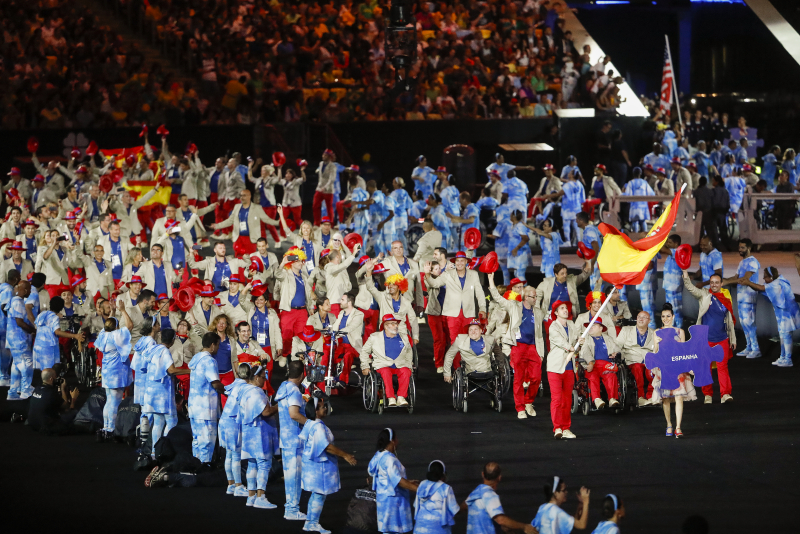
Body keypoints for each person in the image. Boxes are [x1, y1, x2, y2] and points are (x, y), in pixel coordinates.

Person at [298, 396, 357, 534]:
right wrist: (345, 455)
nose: (325, 408)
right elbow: (326, 447)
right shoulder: (318, 426)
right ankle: (312, 523)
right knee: (319, 495)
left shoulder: (310, 423)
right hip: (320, 466)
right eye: (322, 407)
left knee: (316, 495)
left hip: (313, 465)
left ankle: (310, 522)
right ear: (315, 411)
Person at [488, 276, 545, 419]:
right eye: (533, 297)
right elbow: (497, 298)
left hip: (533, 347)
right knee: (519, 378)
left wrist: (541, 352)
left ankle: (528, 402)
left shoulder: (537, 311)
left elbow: (542, 331)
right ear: (525, 297)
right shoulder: (514, 306)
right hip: (518, 346)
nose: (535, 299)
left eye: (536, 297)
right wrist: (490, 279)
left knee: (536, 378)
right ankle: (520, 408)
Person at [682, 272, 736, 404]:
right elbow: (691, 288)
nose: (714, 285)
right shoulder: (704, 294)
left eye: (717, 282)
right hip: (705, 340)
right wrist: (685, 275)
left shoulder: (726, 298)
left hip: (722, 339)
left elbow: (729, 322)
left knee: (722, 367)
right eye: (712, 282)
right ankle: (708, 395)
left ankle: (725, 394)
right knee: (705, 368)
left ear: (721, 284)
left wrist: (733, 339)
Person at [738, 267, 800, 367]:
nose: (763, 279)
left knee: (786, 335)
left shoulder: (777, 284)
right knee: (782, 335)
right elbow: (761, 288)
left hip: (788, 313)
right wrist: (749, 283)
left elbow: (761, 288)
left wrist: (748, 283)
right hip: (783, 313)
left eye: (765, 277)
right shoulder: (776, 282)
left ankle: (788, 360)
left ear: (771, 277)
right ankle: (782, 357)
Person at [237, 363, 280, 509]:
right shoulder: (256, 392)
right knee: (264, 464)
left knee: (252, 464)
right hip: (259, 433)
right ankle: (261, 496)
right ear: (256, 378)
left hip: (249, 432)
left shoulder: (244, 390)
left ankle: (251, 496)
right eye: (263, 377)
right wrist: (280, 406)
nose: (265, 380)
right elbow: (266, 412)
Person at [650, 303, 695, 438]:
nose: (665, 318)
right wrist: (656, 343)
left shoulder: (680, 332)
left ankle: (678, 427)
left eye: (668, 316)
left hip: (676, 367)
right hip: (663, 368)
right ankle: (669, 424)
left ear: (673, 316)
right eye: (663, 316)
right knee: (665, 399)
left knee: (679, 396)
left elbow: (683, 351)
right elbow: (655, 353)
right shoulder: (656, 332)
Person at [422, 251, 486, 346]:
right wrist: (427, 274)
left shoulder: (474, 274)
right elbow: (434, 284)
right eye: (457, 261)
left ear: (466, 262)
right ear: (454, 262)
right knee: (454, 341)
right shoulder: (448, 273)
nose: (459, 263)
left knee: (469, 341)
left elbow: (480, 293)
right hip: (452, 313)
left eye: (462, 261)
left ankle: (466, 361)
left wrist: (482, 308)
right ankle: (456, 361)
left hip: (468, 312)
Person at [142, 327, 188, 451]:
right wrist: (190, 371)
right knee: (172, 420)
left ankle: (154, 452)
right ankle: (164, 449)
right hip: (162, 392)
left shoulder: (152, 349)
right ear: (173, 340)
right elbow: (171, 370)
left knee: (158, 421)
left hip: (150, 389)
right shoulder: (164, 351)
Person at [275, 360, 309, 519]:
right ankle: (292, 510)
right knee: (295, 477)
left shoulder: (283, 387)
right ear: (303, 375)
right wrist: (311, 425)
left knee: (290, 477)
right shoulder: (294, 391)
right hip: (294, 439)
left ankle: (290, 507)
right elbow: (294, 414)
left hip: (286, 438)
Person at [368, 428, 418, 534]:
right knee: (394, 531)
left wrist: (407, 481)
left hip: (382, 500)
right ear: (392, 441)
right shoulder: (389, 459)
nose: (398, 441)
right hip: (393, 502)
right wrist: (419, 489)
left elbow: (383, 476)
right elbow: (398, 481)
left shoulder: (378, 455)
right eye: (396, 438)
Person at [465, 462, 536, 534]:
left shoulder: (475, 493)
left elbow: (467, 507)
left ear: (482, 474)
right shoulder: (490, 495)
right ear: (499, 477)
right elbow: (501, 520)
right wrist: (524, 527)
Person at [360, 314, 414, 407]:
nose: (396, 326)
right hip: (383, 365)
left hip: (400, 364)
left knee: (406, 371)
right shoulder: (375, 337)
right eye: (392, 324)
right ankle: (391, 397)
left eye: (396, 323)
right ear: (385, 326)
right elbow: (364, 352)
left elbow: (409, 351)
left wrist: (408, 364)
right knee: (385, 372)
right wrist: (365, 366)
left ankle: (401, 397)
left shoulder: (404, 337)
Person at [187, 336, 226, 465]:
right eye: (218, 345)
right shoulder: (209, 361)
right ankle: (205, 467)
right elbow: (215, 383)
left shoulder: (195, 359)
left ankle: (195, 467)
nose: (218, 348)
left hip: (194, 407)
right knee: (207, 440)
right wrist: (229, 391)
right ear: (213, 345)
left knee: (197, 440)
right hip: (206, 409)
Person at [547, 300, 581, 439]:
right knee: (557, 399)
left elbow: (576, 345)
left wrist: (580, 343)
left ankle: (566, 427)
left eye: (566, 308)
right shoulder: (553, 326)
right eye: (562, 308)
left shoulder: (572, 325)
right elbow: (560, 341)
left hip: (569, 367)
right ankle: (557, 428)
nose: (565, 310)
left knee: (567, 399)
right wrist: (571, 347)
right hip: (555, 367)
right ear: (556, 312)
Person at [95, 316, 132, 440]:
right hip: (116, 373)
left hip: (107, 372)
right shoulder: (116, 335)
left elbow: (108, 325)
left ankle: (106, 427)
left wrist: (112, 313)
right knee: (115, 402)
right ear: (116, 327)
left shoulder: (102, 335)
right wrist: (122, 311)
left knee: (109, 400)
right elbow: (130, 326)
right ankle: (111, 429)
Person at [275, 247, 315, 359]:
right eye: (298, 260)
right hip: (288, 311)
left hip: (302, 311)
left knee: (300, 337)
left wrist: (311, 306)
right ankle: (285, 357)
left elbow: (308, 294)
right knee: (286, 336)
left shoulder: (304, 277)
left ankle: (298, 358)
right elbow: (277, 275)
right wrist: (282, 263)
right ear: (291, 262)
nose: (301, 263)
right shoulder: (285, 274)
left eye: (302, 260)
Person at [218, 362, 251, 498]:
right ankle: (238, 486)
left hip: (224, 420)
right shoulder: (246, 388)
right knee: (236, 455)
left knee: (229, 454)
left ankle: (231, 485)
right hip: (233, 422)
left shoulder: (234, 385)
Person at [724, 239, 760, 358]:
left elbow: (744, 279)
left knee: (749, 322)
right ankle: (749, 346)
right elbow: (736, 277)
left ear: (749, 248)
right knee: (744, 323)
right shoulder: (742, 262)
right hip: (741, 296)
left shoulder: (753, 262)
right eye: (739, 247)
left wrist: (725, 282)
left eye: (743, 248)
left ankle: (756, 348)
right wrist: (724, 281)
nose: (740, 250)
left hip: (749, 296)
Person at [32, 296, 85, 372]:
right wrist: (75, 335)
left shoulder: (42, 314)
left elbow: (36, 326)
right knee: (49, 371)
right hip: (48, 347)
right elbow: (57, 332)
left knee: (39, 371)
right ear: (61, 308)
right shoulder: (54, 317)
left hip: (38, 345)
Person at [580, 317, 620, 410]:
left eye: (593, 325)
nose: (590, 327)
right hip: (592, 364)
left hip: (606, 365)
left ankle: (612, 399)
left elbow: (617, 348)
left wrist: (616, 353)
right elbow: (585, 352)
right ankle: (597, 399)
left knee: (611, 376)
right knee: (593, 377)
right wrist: (590, 362)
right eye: (590, 325)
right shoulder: (585, 338)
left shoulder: (608, 339)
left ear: (601, 328)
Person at [616, 312, 656, 406]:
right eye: (639, 317)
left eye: (644, 317)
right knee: (637, 368)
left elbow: (657, 349)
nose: (641, 319)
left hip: (648, 359)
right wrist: (615, 352)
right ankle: (640, 397)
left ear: (649, 321)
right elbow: (617, 344)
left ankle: (651, 396)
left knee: (654, 370)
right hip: (632, 358)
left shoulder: (654, 333)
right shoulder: (626, 330)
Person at [413, 460, 462, 534]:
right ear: (443, 474)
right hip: (438, 529)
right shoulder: (446, 488)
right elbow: (455, 510)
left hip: (420, 528)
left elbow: (416, 505)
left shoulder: (422, 485)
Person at [27, 367, 80, 434]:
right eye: (56, 377)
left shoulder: (37, 389)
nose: (57, 378)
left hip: (33, 424)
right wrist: (72, 399)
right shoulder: (51, 393)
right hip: (47, 427)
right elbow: (66, 406)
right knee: (75, 412)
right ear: (51, 379)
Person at [330, 293, 365, 387]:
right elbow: (334, 327)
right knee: (329, 355)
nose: (340, 302)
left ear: (349, 302)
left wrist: (338, 333)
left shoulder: (359, 314)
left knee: (347, 356)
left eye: (342, 300)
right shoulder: (341, 313)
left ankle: (343, 380)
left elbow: (351, 327)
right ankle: (330, 378)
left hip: (353, 345)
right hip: (341, 345)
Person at [659, 235, 684, 327]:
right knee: (670, 310)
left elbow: (662, 249)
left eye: (669, 242)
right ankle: (671, 329)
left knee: (676, 310)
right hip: (669, 287)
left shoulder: (679, 251)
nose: (667, 244)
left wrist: (659, 238)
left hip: (674, 287)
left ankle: (678, 331)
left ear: (676, 244)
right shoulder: (671, 253)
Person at [577, 212, 603, 290]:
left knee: (595, 287)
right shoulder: (589, 229)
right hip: (594, 261)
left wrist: (591, 264)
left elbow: (596, 247)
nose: (576, 222)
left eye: (577, 220)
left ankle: (598, 301)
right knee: (595, 286)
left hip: (595, 262)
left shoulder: (589, 231)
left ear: (581, 220)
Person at [506, 210, 531, 281]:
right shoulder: (513, 225)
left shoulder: (520, 226)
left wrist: (516, 248)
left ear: (514, 216)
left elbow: (526, 238)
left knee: (520, 274)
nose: (510, 216)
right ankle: (520, 291)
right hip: (516, 254)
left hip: (521, 253)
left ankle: (524, 291)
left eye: (511, 215)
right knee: (516, 274)